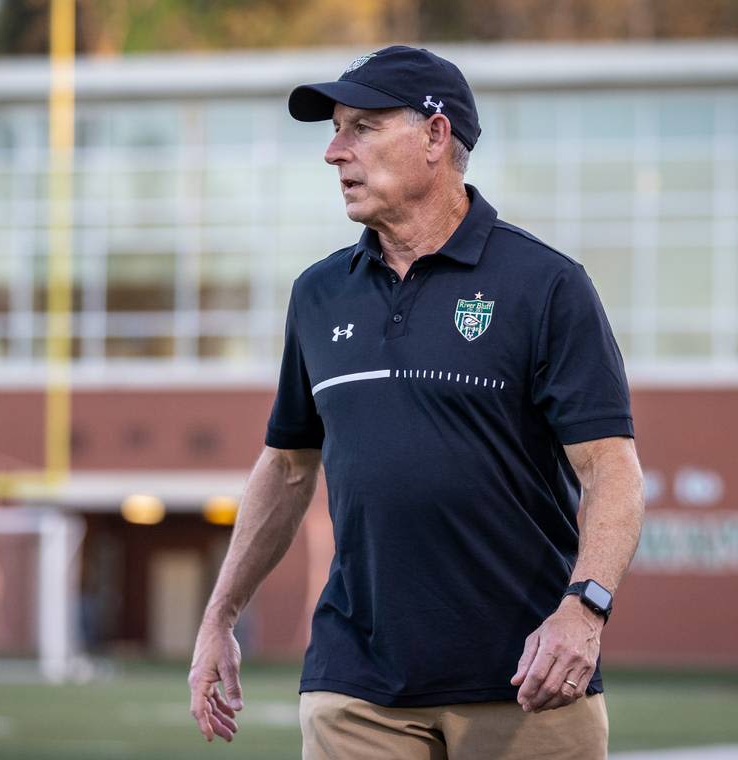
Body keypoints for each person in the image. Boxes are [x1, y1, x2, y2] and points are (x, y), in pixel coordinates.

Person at [188, 44, 645, 759]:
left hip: (526, 681)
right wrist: (220, 616)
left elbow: (611, 470)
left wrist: (584, 610)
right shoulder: (318, 293)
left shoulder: (545, 285)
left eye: (361, 128)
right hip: (355, 681)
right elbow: (285, 469)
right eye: (334, 130)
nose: (334, 153)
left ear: (436, 136)